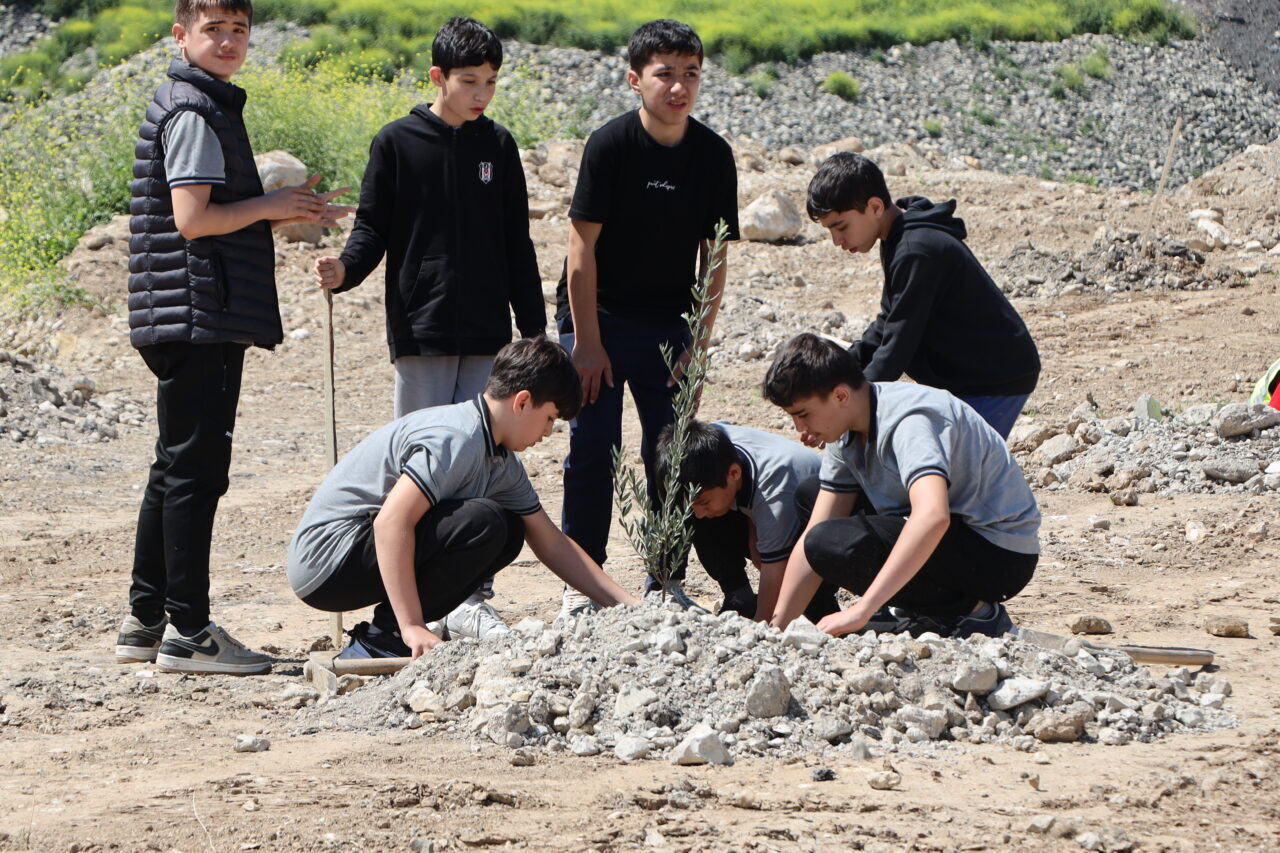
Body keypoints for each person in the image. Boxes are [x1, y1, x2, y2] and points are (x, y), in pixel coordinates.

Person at [115, 0, 350, 673]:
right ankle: (189, 630)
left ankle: (146, 618)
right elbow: (193, 218)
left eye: (238, 30)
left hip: (186, 311)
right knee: (196, 470)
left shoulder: (198, 100)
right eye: (213, 29)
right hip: (197, 314)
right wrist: (272, 206)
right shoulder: (193, 108)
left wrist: (289, 210)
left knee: (174, 464)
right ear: (181, 35)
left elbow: (211, 214)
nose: (227, 41)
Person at [313, 16, 545, 639]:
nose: (481, 95)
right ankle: (408, 602)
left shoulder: (498, 147)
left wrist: (533, 331)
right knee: (418, 466)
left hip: (489, 336)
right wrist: (344, 270)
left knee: (484, 458)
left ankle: (470, 598)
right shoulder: (396, 142)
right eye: (469, 81)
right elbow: (371, 231)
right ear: (437, 76)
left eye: (491, 82)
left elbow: (516, 244)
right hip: (420, 332)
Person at [287, 337, 639, 659]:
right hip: (326, 561)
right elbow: (391, 523)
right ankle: (387, 637)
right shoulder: (457, 438)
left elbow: (552, 543)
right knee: (484, 522)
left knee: (509, 529)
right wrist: (411, 625)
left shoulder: (499, 460)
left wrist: (629, 606)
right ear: (523, 401)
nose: (547, 433)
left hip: (354, 555)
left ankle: (390, 634)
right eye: (549, 419)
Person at [556, 19, 739, 617]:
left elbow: (714, 256)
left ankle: (667, 578)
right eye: (665, 74)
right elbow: (580, 247)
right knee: (593, 446)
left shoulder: (713, 156)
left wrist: (699, 344)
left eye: (691, 74)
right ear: (635, 80)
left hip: (669, 324)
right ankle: (583, 584)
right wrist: (585, 343)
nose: (679, 87)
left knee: (674, 451)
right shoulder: (609, 146)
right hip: (598, 317)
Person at [762, 333, 1040, 638]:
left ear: (841, 396)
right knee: (811, 498)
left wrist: (863, 609)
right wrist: (776, 629)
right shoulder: (848, 425)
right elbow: (817, 527)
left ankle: (972, 612)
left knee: (831, 542)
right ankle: (915, 605)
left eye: (803, 415)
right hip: (952, 538)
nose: (800, 430)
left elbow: (933, 516)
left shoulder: (909, 420)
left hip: (998, 554)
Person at [806, 152, 1039, 439]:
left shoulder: (915, 249)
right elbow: (888, 322)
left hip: (994, 379)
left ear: (875, 206)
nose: (837, 241)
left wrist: (851, 405)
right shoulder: (899, 237)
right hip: (971, 377)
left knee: (957, 474)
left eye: (841, 227)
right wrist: (843, 365)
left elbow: (899, 345)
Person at [654, 420, 841, 622]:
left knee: (802, 599)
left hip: (828, 532)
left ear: (734, 473)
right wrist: (754, 528)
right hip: (771, 508)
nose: (699, 513)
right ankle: (739, 597)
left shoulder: (775, 492)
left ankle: (823, 607)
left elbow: (774, 573)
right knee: (700, 510)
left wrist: (760, 632)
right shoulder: (708, 445)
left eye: (704, 502)